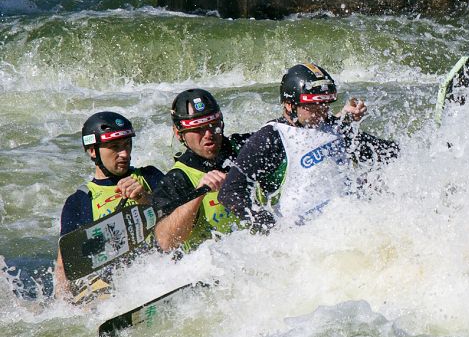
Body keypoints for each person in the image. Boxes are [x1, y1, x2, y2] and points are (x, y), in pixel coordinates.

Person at [218, 62, 398, 231]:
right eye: (313, 106)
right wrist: (270, 227)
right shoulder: (270, 137)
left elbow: (388, 153)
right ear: (289, 105)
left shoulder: (336, 127)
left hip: (350, 222)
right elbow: (230, 193)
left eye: (325, 104)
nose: (322, 111)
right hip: (302, 236)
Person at [55, 112, 164, 300]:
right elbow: (65, 266)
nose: (125, 154)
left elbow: (177, 220)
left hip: (157, 271)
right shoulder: (79, 201)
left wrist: (145, 199)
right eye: (115, 147)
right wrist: (63, 308)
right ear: (92, 151)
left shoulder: (150, 176)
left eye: (127, 145)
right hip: (111, 287)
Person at [151, 89, 251, 252]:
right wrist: (197, 194)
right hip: (210, 266)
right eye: (198, 129)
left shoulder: (246, 148)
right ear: (179, 133)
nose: (208, 134)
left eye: (213, 125)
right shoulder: (176, 179)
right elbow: (166, 242)